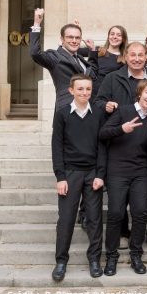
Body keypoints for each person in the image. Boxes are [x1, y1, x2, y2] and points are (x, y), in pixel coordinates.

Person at [99, 79, 147, 276]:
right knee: (116, 213)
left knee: (140, 212)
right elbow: (102, 133)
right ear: (140, 93)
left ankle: (136, 254)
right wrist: (121, 129)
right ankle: (111, 256)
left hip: (140, 171)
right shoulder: (124, 111)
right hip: (117, 170)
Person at [51, 74, 106, 282]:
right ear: (71, 90)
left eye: (88, 89)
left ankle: (94, 260)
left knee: (94, 219)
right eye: (80, 89)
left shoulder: (98, 113)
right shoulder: (63, 114)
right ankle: (61, 261)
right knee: (65, 219)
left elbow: (103, 146)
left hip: (92, 173)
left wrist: (101, 174)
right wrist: (60, 176)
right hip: (70, 173)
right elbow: (57, 146)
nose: (85, 93)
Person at [29, 8, 97, 111]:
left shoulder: (80, 58)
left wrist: (92, 50)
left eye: (77, 38)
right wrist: (37, 24)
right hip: (67, 112)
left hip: (88, 110)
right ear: (62, 39)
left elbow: (93, 73)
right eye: (70, 37)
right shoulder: (55, 57)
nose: (74, 41)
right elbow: (35, 53)